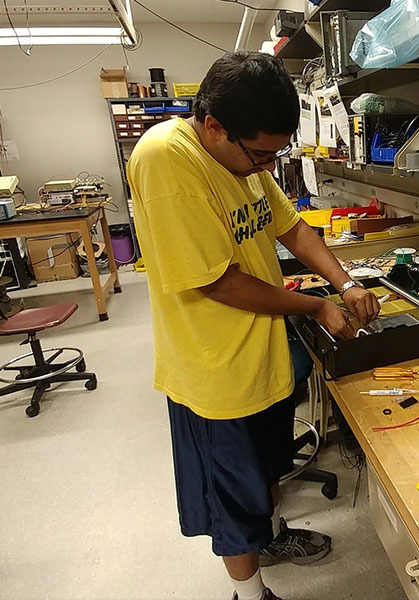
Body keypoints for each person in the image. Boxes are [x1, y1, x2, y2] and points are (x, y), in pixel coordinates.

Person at [127, 51, 380, 600]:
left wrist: (345, 283)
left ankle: (269, 538)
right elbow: (215, 282)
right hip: (216, 370)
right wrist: (314, 307)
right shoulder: (167, 160)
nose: (269, 166)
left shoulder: (244, 159)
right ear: (214, 126)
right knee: (232, 498)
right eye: (262, 154)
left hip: (263, 354)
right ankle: (250, 593)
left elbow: (292, 228)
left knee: (267, 469)